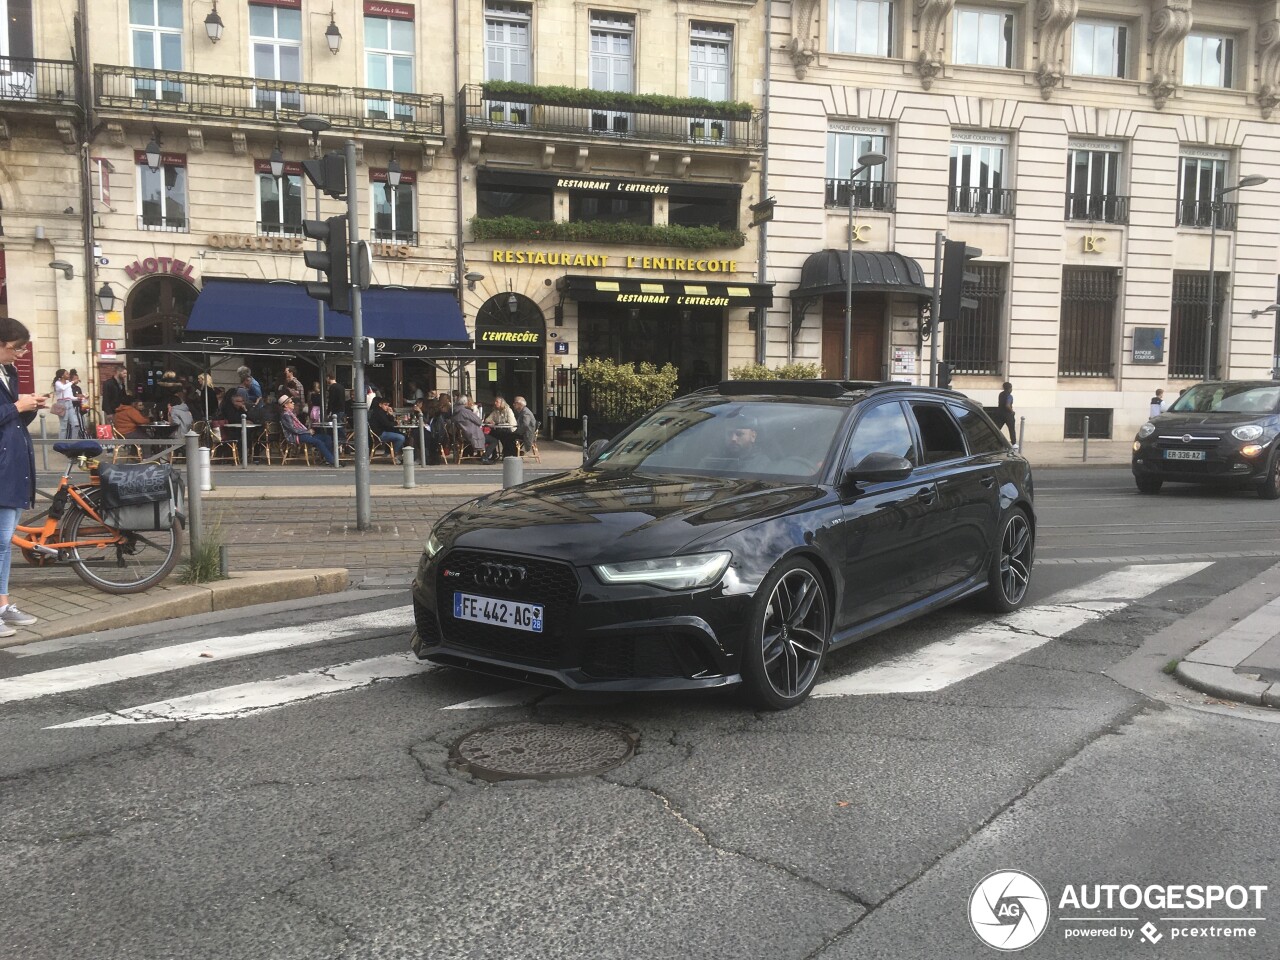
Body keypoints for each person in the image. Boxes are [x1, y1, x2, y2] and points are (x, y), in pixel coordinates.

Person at [0, 317, 45, 636]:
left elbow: (10, 421)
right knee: (0, 541)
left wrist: (28, 408)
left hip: (13, 464)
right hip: (2, 466)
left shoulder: (9, 372)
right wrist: (18, 404)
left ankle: (2, 605)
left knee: (3, 542)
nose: (19, 355)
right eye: (16, 348)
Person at [278, 395, 337, 466]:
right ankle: (332, 461)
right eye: (291, 402)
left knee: (326, 437)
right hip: (296, 436)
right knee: (318, 442)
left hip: (303, 434)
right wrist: (307, 431)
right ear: (285, 405)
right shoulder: (286, 415)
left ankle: (329, 458)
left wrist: (307, 431)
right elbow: (293, 429)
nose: (293, 403)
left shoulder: (291, 414)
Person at [483, 395, 518, 461]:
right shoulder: (495, 411)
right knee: (491, 434)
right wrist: (490, 421)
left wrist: (498, 424)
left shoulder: (508, 410)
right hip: (500, 430)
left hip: (509, 430)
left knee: (504, 436)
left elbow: (511, 423)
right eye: (495, 401)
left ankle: (507, 454)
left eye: (497, 402)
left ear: (502, 403)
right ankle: (493, 454)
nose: (495, 403)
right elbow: (487, 419)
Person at [53, 368, 81, 439]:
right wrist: (72, 382)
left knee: (76, 424)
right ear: (62, 376)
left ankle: (73, 441)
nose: (68, 375)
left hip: (69, 404)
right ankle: (61, 443)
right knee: (63, 426)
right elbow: (63, 388)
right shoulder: (58, 383)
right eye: (66, 373)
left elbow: (70, 396)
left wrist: (77, 398)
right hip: (62, 404)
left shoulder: (68, 382)